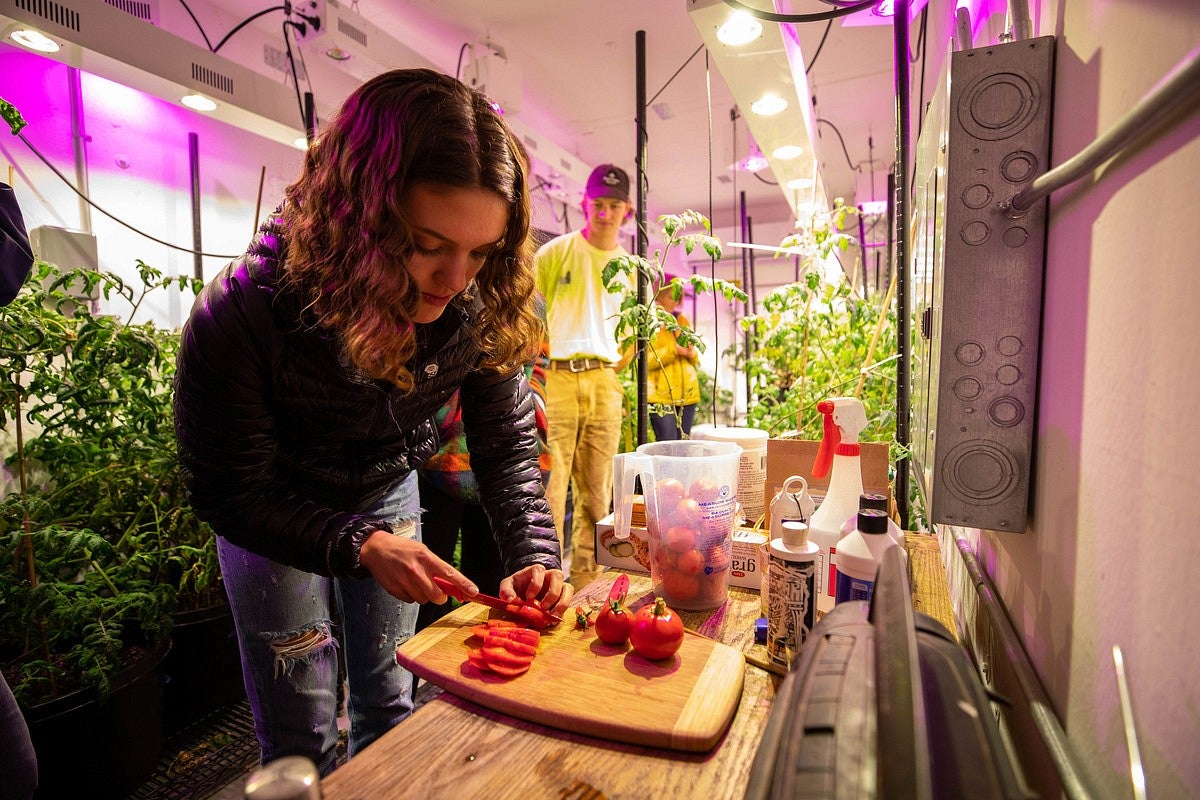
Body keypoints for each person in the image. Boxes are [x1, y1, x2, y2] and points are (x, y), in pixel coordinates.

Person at [173, 68, 572, 776]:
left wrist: (535, 553)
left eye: (480, 253)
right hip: (275, 517)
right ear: (358, 215)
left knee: (390, 699)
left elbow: (506, 444)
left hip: (388, 489)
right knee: (301, 733)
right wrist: (360, 543)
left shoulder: (473, 301)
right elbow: (230, 494)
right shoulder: (242, 315)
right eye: (426, 244)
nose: (455, 281)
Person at [536, 164, 634, 588]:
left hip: (603, 381)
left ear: (627, 211)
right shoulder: (555, 254)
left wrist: (612, 369)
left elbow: (635, 334)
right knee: (549, 492)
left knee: (597, 495)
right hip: (554, 376)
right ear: (585, 205)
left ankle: (589, 589)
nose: (605, 213)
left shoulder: (631, 268)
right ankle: (546, 584)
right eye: (598, 204)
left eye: (614, 205)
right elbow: (527, 312)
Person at [415, 347, 552, 631]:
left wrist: (529, 402)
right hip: (437, 460)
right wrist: (441, 416)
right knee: (426, 591)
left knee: (494, 593)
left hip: (506, 463)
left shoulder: (529, 304)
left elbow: (538, 358)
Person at [647, 280, 701, 440]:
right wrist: (674, 350)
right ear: (659, 297)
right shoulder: (651, 322)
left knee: (683, 446)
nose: (676, 301)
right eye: (671, 297)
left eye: (678, 297)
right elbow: (646, 361)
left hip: (687, 395)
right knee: (667, 445)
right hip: (662, 397)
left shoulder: (682, 320)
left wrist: (692, 353)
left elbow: (693, 359)